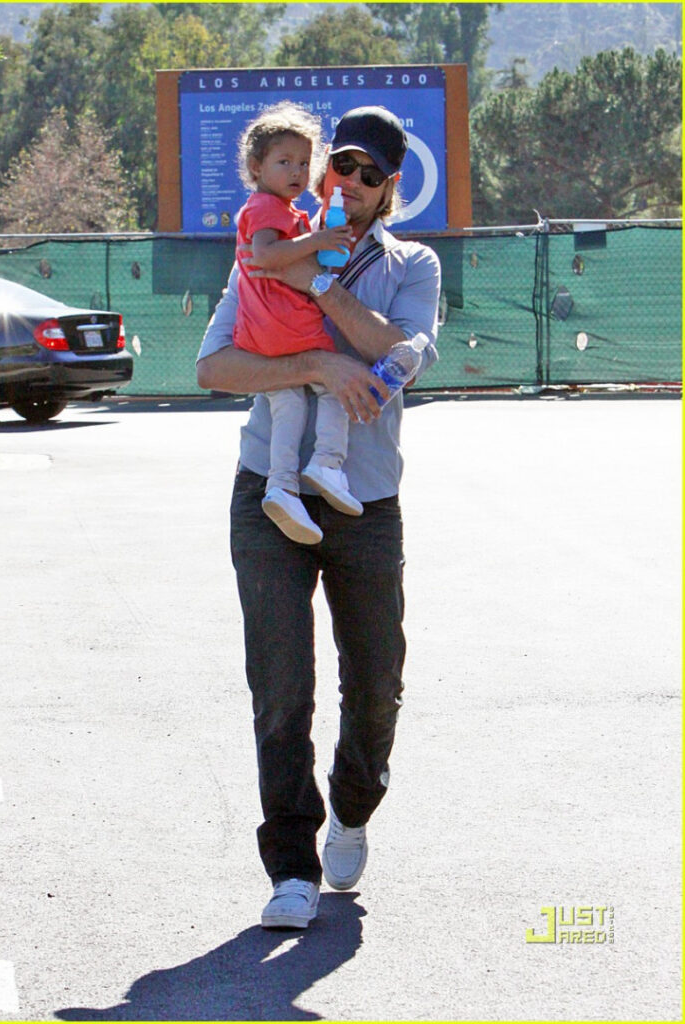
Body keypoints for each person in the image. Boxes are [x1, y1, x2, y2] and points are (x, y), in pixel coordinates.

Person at [197, 105, 441, 930]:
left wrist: (319, 286)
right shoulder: (271, 240)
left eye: (370, 173)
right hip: (267, 493)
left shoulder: (413, 264)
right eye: (342, 165)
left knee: (375, 682)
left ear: (390, 186)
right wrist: (314, 362)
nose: (351, 182)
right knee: (281, 686)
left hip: (363, 500)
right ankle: (291, 867)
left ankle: (353, 805)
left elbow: (392, 352)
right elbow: (215, 367)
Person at [233, 102, 363, 545]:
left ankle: (281, 486)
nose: (297, 172)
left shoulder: (278, 209)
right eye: (284, 162)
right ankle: (327, 462)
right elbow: (267, 255)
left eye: (305, 163)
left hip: (262, 337)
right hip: (290, 328)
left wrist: (319, 240)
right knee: (335, 385)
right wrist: (318, 239)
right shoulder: (268, 208)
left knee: (288, 403)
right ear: (256, 167)